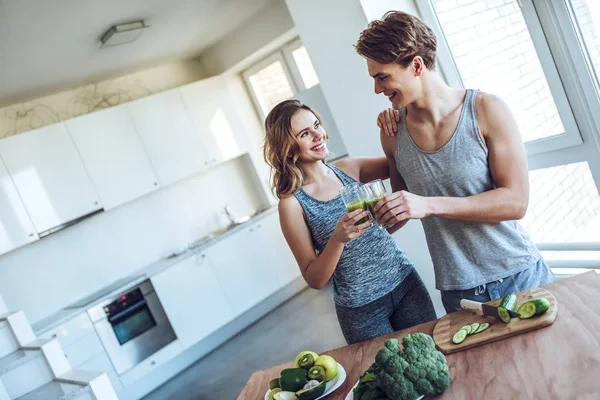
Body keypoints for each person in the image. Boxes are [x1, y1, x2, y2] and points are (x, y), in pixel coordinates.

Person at [354, 11, 555, 313]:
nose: (377, 89)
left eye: (382, 77)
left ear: (417, 66)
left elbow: (516, 202)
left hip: (520, 277)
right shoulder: (393, 133)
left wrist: (430, 204)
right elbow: (402, 212)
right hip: (459, 294)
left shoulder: (486, 110)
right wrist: (362, 222)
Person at [263, 99, 436, 344]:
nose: (317, 135)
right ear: (288, 148)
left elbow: (401, 162)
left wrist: (392, 128)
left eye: (316, 125)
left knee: (434, 357)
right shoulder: (292, 204)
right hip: (361, 310)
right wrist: (337, 239)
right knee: (388, 379)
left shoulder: (348, 169)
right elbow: (314, 279)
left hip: (405, 283)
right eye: (304, 133)